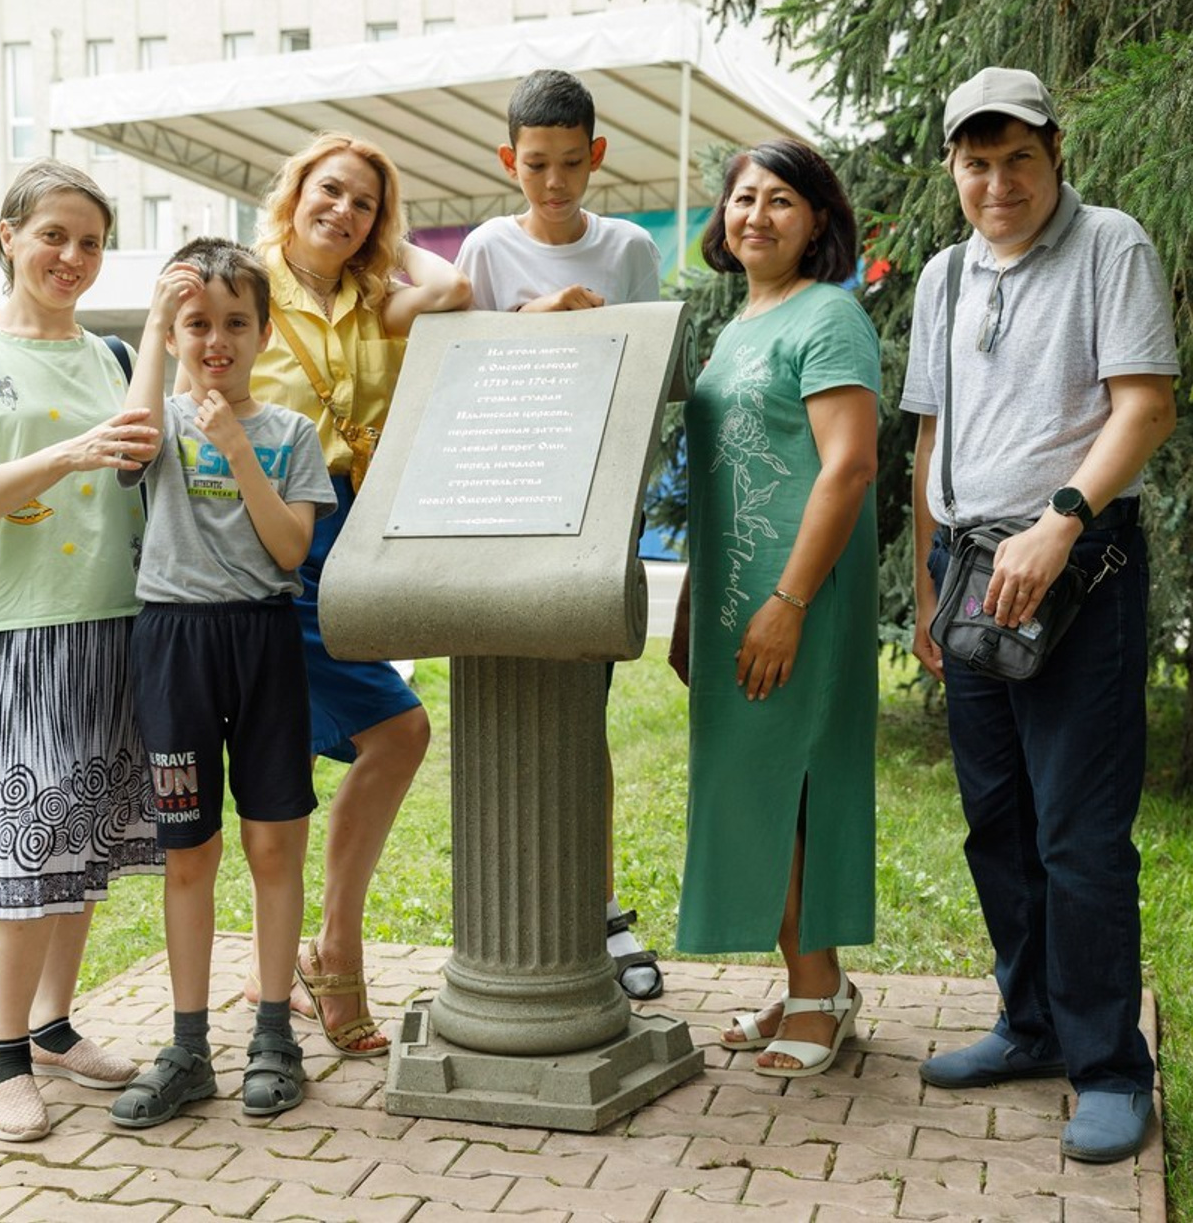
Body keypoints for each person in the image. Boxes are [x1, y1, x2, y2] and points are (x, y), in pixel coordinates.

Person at [904, 67, 1177, 1163]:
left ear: (1053, 153)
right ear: (951, 169)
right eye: (975, 161)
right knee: (997, 823)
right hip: (969, 564)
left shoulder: (1108, 243)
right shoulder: (939, 274)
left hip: (1081, 564)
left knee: (1077, 835)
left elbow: (1144, 403)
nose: (996, 180)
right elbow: (928, 430)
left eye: (1016, 156)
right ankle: (1029, 1024)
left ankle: (1109, 1064)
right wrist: (929, 585)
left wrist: (1061, 517)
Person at [0, 159, 165, 1142]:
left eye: (91, 241)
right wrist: (69, 452)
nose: (70, 255)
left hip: (113, 619)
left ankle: (55, 1027)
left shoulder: (108, 355)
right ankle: (2, 1053)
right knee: (23, 846)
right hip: (12, 627)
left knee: (85, 836)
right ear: (8, 235)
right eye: (53, 234)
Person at [243, 132, 471, 1054]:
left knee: (379, 740)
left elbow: (453, 290)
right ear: (294, 191)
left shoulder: (377, 298)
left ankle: (316, 957)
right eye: (327, 191)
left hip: (358, 543)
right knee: (397, 731)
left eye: (365, 203)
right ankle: (331, 956)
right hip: (271, 543)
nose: (342, 211)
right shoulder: (248, 284)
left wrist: (384, 243)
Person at [108, 240, 336, 1127]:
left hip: (264, 640)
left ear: (263, 332)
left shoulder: (290, 435)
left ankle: (275, 1031)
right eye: (196, 323)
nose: (216, 340)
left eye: (235, 323)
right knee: (188, 850)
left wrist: (237, 446)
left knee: (274, 843)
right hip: (174, 645)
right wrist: (155, 334)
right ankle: (189, 1045)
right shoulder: (155, 418)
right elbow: (127, 452)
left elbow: (289, 550)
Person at [454, 68, 667, 1000]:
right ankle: (510, 914)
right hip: (504, 504)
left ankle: (600, 909)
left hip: (595, 505)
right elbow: (456, 363)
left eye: (570, 164)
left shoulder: (626, 249)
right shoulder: (487, 250)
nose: (553, 183)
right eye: (535, 165)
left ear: (598, 157)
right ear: (509, 160)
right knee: (501, 712)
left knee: (585, 720)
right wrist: (543, 317)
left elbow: (648, 370)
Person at [669, 139, 879, 1077]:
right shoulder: (740, 322)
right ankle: (806, 981)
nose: (756, 214)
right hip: (735, 598)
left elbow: (850, 466)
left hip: (798, 593)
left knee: (797, 782)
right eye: (743, 198)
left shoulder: (828, 316)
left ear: (819, 221)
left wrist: (789, 601)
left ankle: (819, 989)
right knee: (752, 784)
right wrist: (690, 610)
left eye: (782, 200)